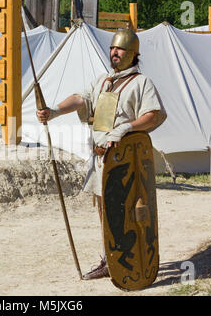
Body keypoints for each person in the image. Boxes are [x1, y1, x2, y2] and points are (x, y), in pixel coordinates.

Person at [37, 28, 167, 280]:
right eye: (112, 48)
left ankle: (136, 260)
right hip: (100, 159)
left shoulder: (141, 83)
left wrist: (127, 127)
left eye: (120, 49)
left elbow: (153, 115)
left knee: (130, 212)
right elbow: (80, 99)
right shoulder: (103, 81)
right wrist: (54, 111)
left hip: (125, 161)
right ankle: (111, 258)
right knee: (104, 211)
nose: (114, 53)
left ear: (132, 54)